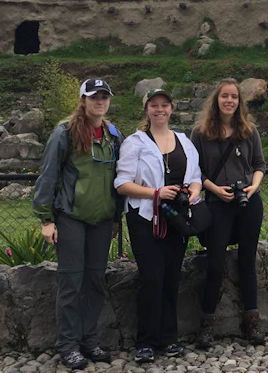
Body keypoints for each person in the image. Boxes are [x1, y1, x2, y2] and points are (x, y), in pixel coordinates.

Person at [33, 78, 122, 370]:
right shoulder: (65, 133)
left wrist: (115, 217)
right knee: (71, 282)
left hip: (101, 219)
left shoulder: (112, 134)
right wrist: (46, 219)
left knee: (95, 281)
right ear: (83, 100)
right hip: (70, 217)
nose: (99, 101)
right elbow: (48, 175)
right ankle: (68, 345)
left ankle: (89, 340)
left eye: (104, 97)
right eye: (94, 97)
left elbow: (117, 179)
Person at [114, 89, 202, 362]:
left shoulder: (185, 142)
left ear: (171, 108)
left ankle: (169, 337)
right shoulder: (135, 142)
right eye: (154, 105)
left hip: (176, 216)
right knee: (152, 277)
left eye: (164, 105)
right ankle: (146, 341)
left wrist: (192, 193)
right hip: (145, 217)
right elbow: (122, 183)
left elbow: (196, 177)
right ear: (147, 109)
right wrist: (155, 192)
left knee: (172, 277)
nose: (160, 110)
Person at [190, 78, 266, 345]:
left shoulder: (249, 130)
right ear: (216, 100)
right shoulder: (200, 133)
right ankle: (207, 324)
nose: (230, 101)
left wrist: (253, 188)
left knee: (247, 261)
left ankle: (251, 322)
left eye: (234, 97)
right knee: (215, 263)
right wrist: (214, 188)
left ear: (239, 101)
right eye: (225, 96)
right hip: (217, 202)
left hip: (248, 201)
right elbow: (195, 170)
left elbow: (259, 164)